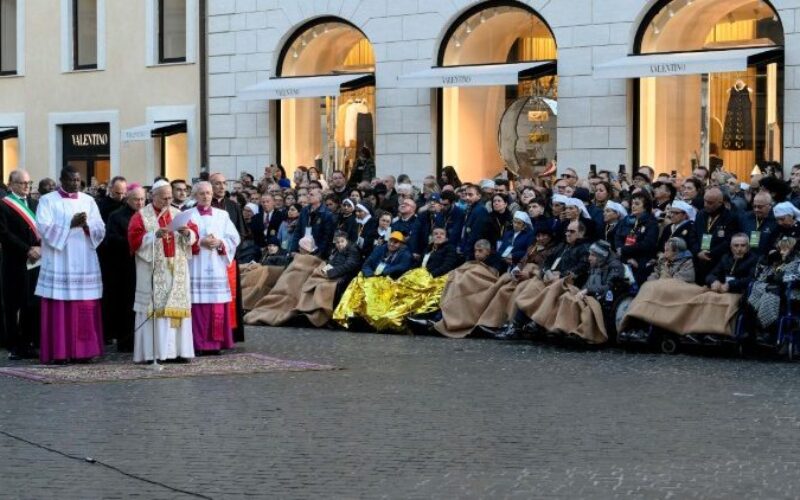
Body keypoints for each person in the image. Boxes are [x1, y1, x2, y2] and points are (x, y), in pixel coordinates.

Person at [35, 166, 105, 364]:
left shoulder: (88, 200)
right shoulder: (47, 200)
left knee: (85, 305)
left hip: (84, 260)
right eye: (71, 180)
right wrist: (69, 224)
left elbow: (100, 227)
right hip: (60, 261)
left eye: (77, 180)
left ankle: (84, 351)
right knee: (60, 305)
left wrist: (87, 225)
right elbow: (43, 226)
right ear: (61, 180)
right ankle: (60, 352)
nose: (75, 183)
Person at [128, 181, 198, 363]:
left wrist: (187, 233)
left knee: (177, 308)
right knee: (155, 309)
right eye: (164, 197)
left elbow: (194, 236)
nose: (168, 201)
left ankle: (179, 352)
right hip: (153, 270)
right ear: (154, 196)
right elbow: (134, 240)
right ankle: (155, 353)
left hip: (177, 268)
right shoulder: (141, 216)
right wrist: (153, 236)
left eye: (170, 197)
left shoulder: (178, 214)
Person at [188, 181, 241, 354]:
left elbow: (234, 238)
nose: (206, 196)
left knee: (216, 306)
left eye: (208, 193)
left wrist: (220, 243)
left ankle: (216, 343)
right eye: (202, 193)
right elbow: (180, 239)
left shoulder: (222, 215)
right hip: (196, 265)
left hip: (216, 266)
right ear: (195, 195)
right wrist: (199, 241)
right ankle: (198, 343)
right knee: (198, 307)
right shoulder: (188, 215)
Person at [0, 170, 41, 359]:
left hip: (35, 261)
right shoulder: (4, 205)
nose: (26, 186)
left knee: (30, 303)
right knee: (12, 304)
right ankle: (14, 346)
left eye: (28, 182)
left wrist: (39, 247)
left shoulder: (34, 203)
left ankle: (28, 342)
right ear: (11, 184)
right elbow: (4, 234)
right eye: (22, 183)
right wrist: (27, 249)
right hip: (14, 261)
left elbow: (42, 228)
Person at [104, 186, 146, 352]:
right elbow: (111, 239)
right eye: (136, 199)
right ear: (127, 199)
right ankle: (126, 342)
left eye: (142, 199)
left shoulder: (148, 215)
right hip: (125, 267)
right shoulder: (116, 216)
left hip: (144, 266)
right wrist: (134, 242)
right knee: (125, 305)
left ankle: (144, 340)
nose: (140, 203)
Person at [694, 187, 740, 285]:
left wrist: (709, 253)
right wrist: (698, 252)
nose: (706, 205)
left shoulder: (730, 217)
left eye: (710, 203)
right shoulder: (700, 214)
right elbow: (693, 236)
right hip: (699, 259)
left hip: (717, 261)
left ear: (720, 202)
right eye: (705, 201)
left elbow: (728, 241)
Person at [617, 192, 659, 284]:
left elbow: (647, 245)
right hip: (628, 259)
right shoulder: (632, 221)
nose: (633, 206)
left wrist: (624, 250)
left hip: (641, 262)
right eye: (632, 204)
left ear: (645, 207)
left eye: (637, 204)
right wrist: (626, 257)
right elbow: (621, 238)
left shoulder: (651, 223)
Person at [290, 187, 335, 258]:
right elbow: (297, 231)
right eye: (308, 194)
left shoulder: (327, 214)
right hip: (301, 249)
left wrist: (317, 254)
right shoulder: (304, 210)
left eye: (311, 194)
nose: (308, 196)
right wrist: (293, 249)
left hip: (317, 253)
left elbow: (326, 238)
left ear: (319, 197)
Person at [459, 184, 491, 260]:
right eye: (466, 194)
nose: (467, 197)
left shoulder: (480, 210)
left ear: (479, 196)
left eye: (470, 195)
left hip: (474, 252)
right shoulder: (472, 208)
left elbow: (476, 234)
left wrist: (467, 251)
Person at [741, 192, 777, 257]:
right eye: (754, 206)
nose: (756, 209)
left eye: (760, 207)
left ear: (769, 206)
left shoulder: (776, 221)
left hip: (764, 260)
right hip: (746, 258)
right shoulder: (745, 217)